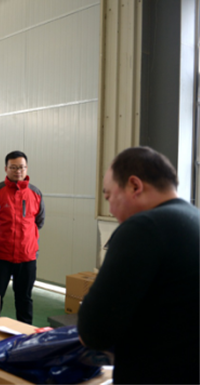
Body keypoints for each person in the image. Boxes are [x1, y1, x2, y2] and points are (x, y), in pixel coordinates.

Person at [78, 146, 199, 384]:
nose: (110, 210)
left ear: (135, 186)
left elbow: (94, 331)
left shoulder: (144, 227)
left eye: (109, 196)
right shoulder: (193, 220)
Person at [0, 150, 45, 324]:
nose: (18, 171)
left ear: (26, 168)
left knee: (24, 299)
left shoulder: (35, 193)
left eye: (21, 167)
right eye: (13, 167)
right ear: (6, 168)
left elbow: (39, 221)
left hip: (27, 257)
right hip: (0, 256)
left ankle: (25, 335)